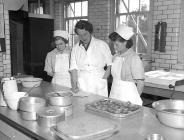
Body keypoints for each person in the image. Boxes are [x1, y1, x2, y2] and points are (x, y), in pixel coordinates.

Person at [70, 20, 112, 97]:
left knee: (99, 105)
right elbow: (73, 69)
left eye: (85, 34)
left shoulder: (102, 45)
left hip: (98, 80)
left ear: (91, 32)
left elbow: (110, 65)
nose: (83, 37)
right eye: (80, 35)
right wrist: (74, 85)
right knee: (82, 105)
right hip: (82, 82)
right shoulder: (75, 48)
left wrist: (103, 79)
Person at [108, 25, 144, 105]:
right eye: (113, 44)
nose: (114, 47)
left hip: (129, 97)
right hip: (115, 92)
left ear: (125, 42)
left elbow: (140, 83)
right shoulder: (115, 56)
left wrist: (134, 101)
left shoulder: (134, 58)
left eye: (116, 45)